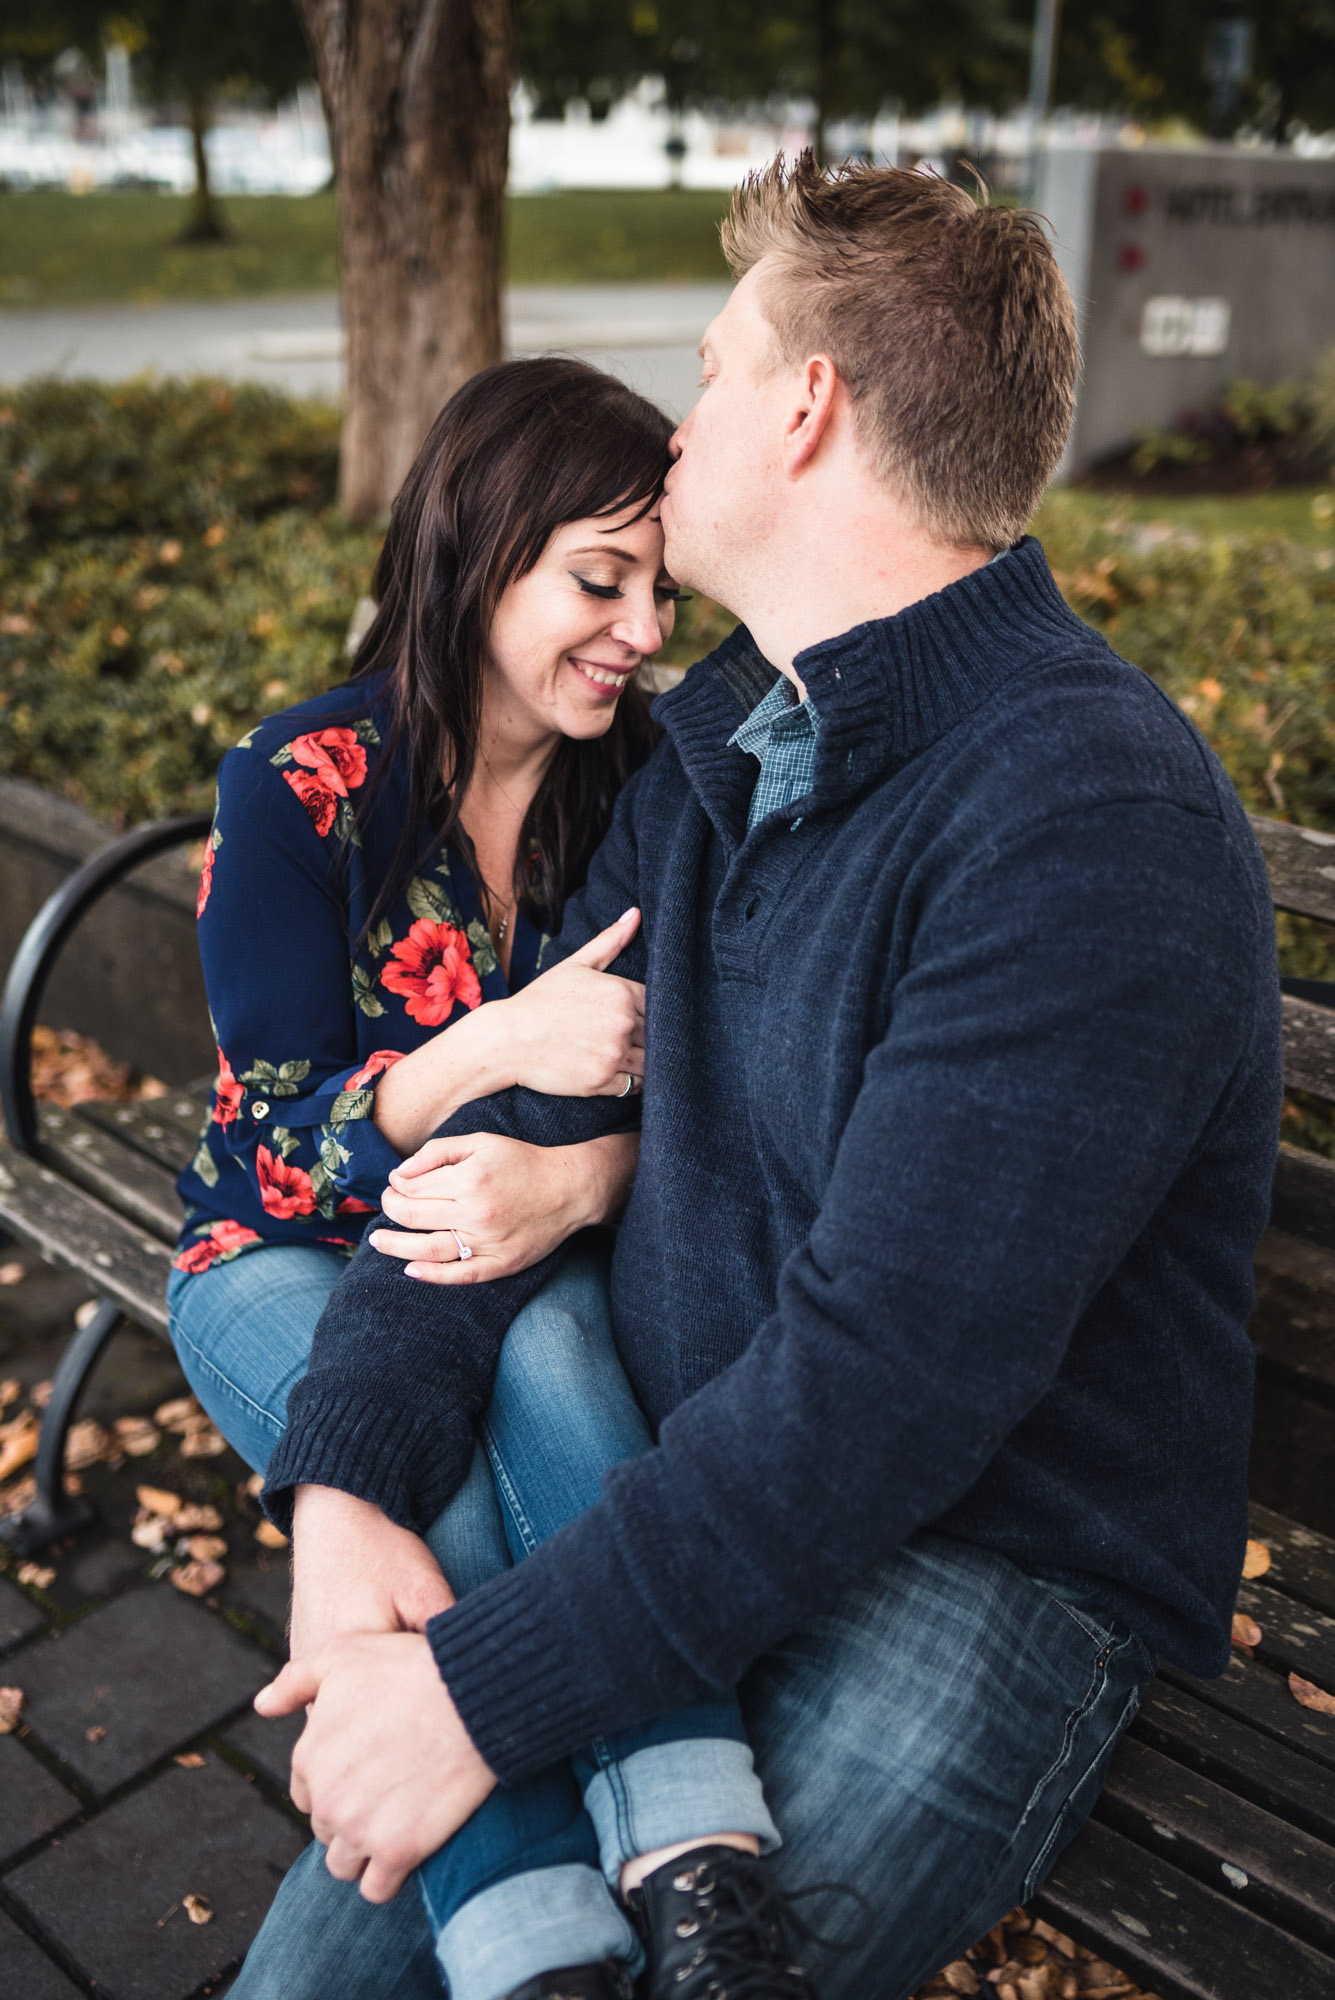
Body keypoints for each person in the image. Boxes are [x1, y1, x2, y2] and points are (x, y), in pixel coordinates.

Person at [253, 156, 1283, 2000]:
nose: (683, 419)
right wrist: (342, 1503)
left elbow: (890, 1381)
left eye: (716, 366)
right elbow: (512, 1125)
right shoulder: (731, 744)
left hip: (984, 1551)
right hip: (674, 1470)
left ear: (806, 407)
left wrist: (480, 1692)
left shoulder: (1084, 813)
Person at [167, 357, 793, 2000]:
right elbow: (275, 1155)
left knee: (559, 1345)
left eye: (658, 585)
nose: (643, 629)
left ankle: (685, 1855)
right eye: (601, 580)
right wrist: (486, 1045)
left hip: (518, 1252)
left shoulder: (635, 782)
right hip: (271, 1262)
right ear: (480, 546)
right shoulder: (299, 785)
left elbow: (711, 1094)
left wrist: (586, 1184)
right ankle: (543, 1932)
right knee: (431, 1482)